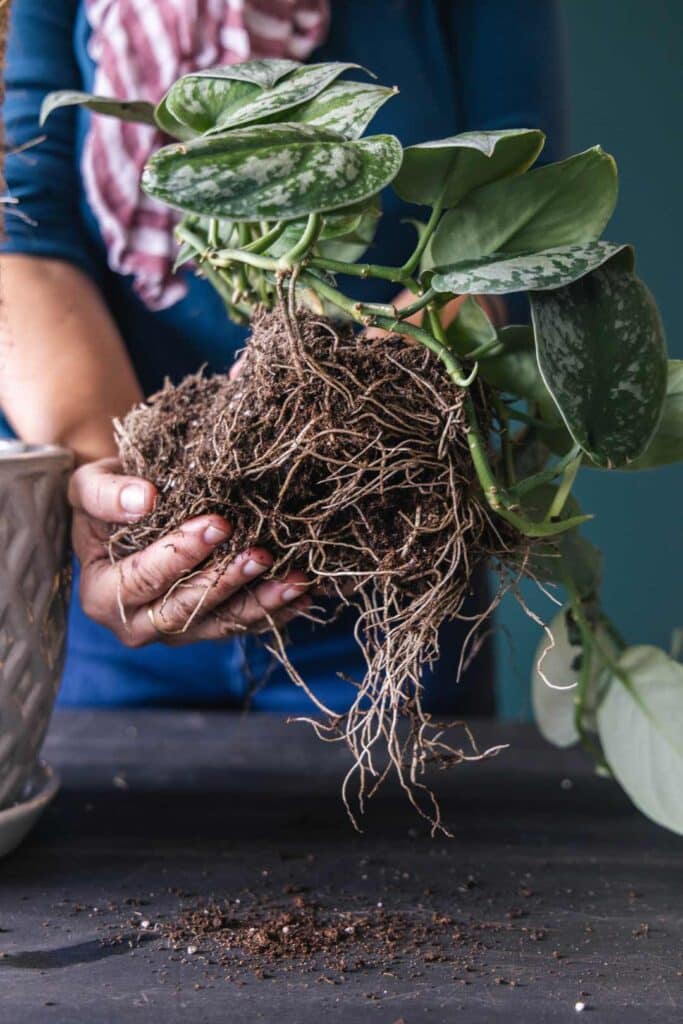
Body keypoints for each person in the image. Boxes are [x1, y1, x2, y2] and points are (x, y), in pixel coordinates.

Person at [0, 0, 567, 712]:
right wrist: (121, 510)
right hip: (103, 600)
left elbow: (519, 218)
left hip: (382, 564)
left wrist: (347, 438)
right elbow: (21, 218)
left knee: (399, 815)